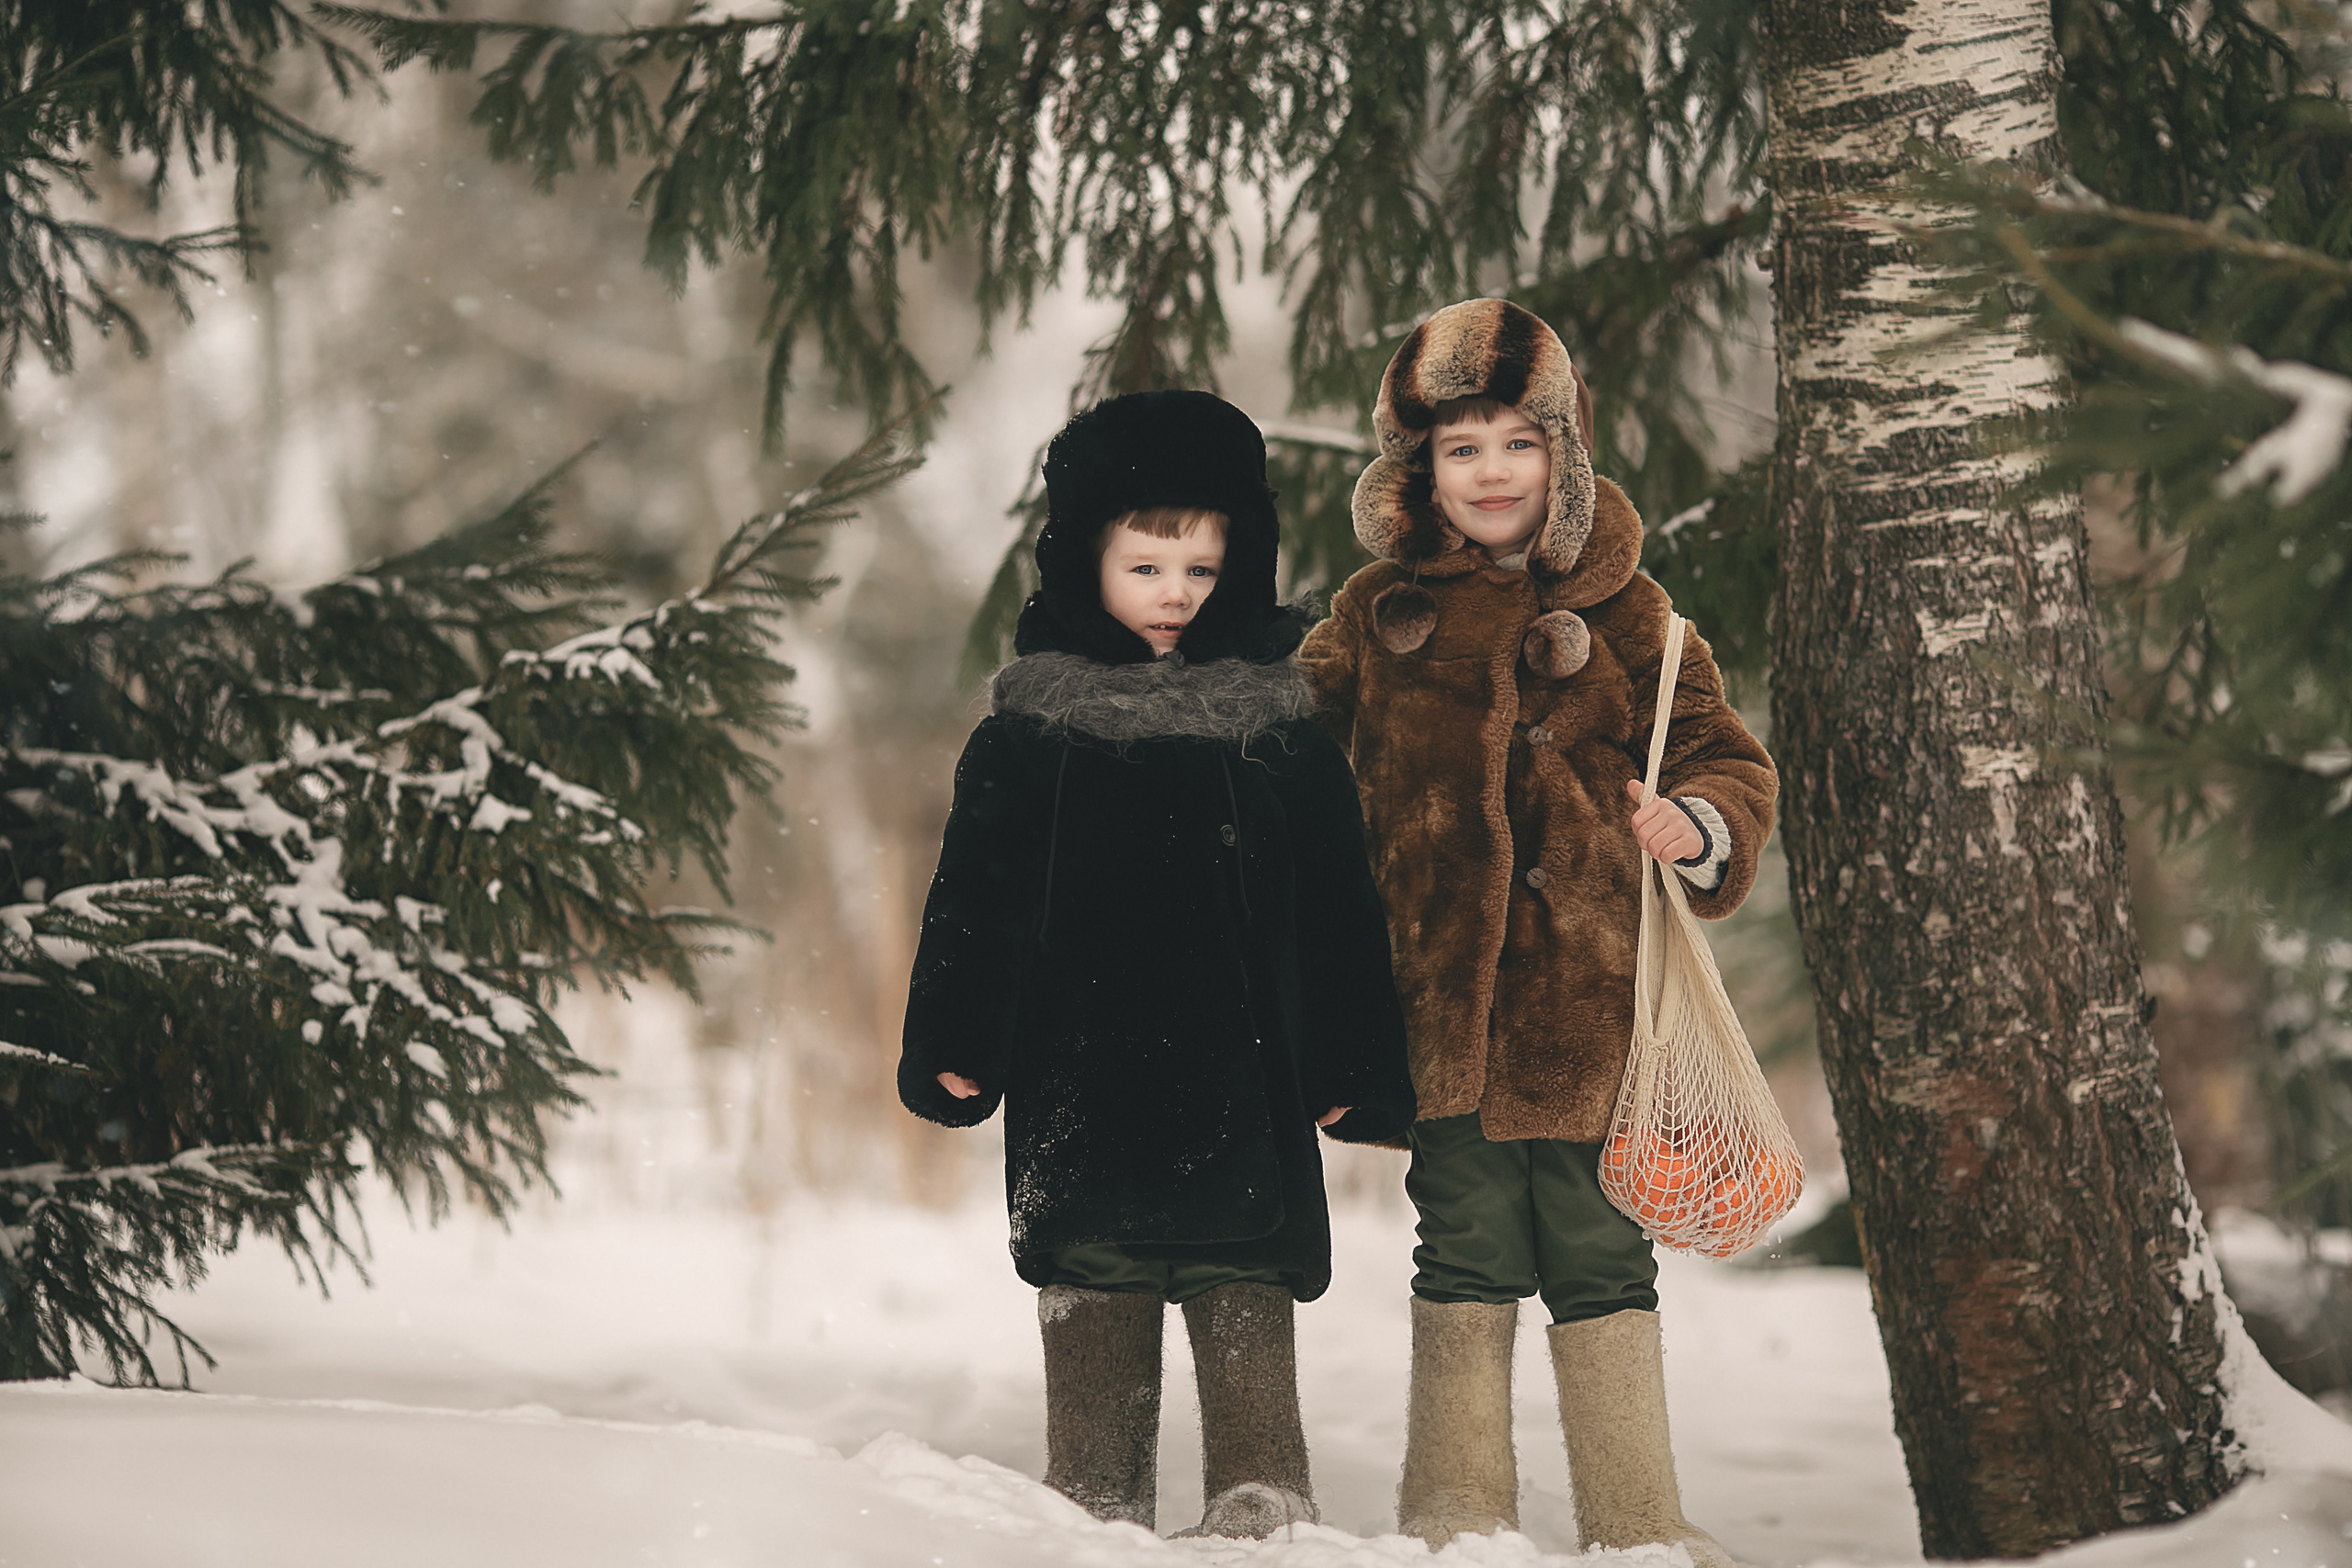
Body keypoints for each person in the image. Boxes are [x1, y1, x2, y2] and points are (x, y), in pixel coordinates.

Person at [1297, 298, 1777, 1564]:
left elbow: (1726, 754)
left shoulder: (1631, 611)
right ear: (1419, 469)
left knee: (1598, 1243)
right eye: (1463, 448)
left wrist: (1695, 818)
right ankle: (1455, 1504)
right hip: (1441, 1000)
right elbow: (1287, 744)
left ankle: (1634, 1516)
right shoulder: (1374, 612)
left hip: (1589, 1004)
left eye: (1519, 440)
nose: (1493, 470)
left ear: (1564, 453)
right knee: (1459, 1235)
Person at [899, 389, 1416, 1540]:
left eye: (1200, 569)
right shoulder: (1030, 735)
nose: (1175, 595)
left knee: (1245, 1271)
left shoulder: (1279, 733)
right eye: (1146, 568)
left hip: (1246, 1073)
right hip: (1081, 1076)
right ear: (1087, 565)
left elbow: (1339, 909)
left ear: (1242, 565)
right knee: (1095, 1271)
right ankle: (1093, 1493)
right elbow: (973, 906)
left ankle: (1262, 1492)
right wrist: (957, 1041)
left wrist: (1351, 1059)